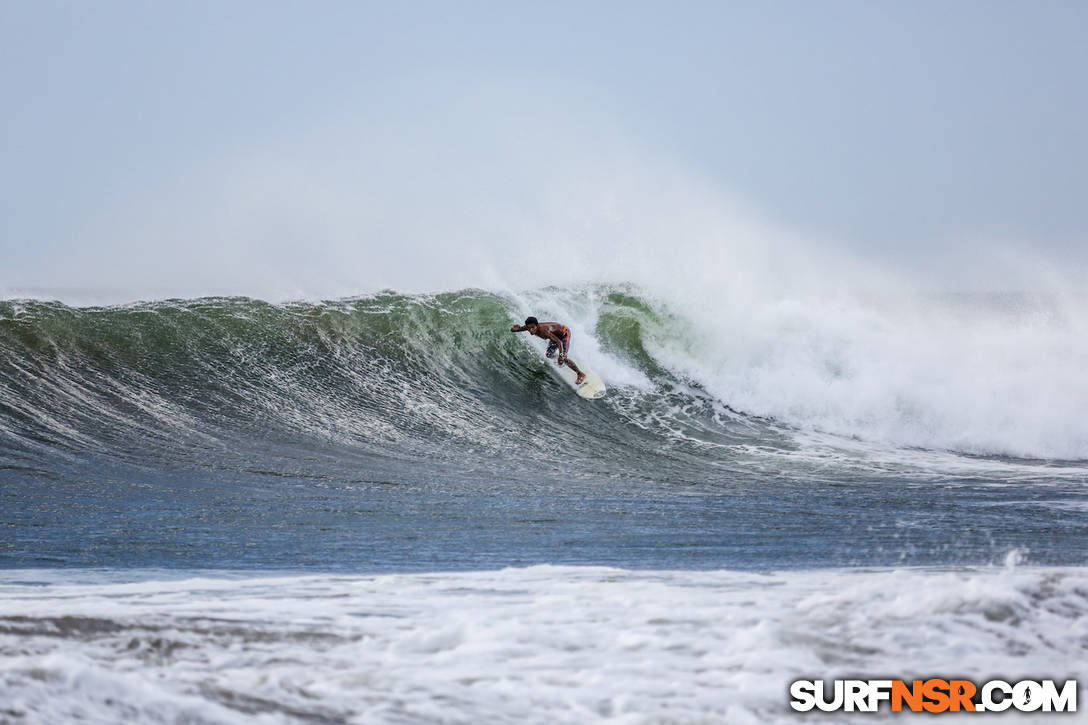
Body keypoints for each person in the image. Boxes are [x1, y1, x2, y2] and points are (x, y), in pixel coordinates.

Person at [510, 316, 586, 385]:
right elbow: (515, 330)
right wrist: (514, 329)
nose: (531, 330)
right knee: (549, 355)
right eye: (529, 328)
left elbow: (559, 342)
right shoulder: (529, 327)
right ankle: (565, 361)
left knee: (563, 356)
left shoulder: (544, 331)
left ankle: (580, 374)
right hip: (555, 337)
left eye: (533, 327)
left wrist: (561, 355)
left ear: (537, 325)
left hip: (564, 333)